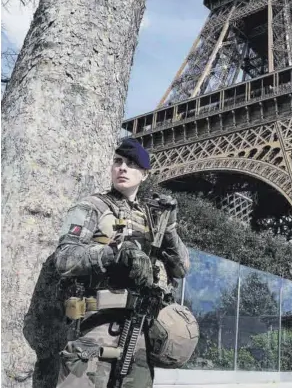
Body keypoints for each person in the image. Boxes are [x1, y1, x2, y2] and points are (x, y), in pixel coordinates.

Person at [52, 138, 190, 388]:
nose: (123, 168)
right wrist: (113, 254)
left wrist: (169, 228)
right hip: (96, 328)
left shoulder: (153, 218)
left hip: (141, 333)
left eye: (131, 164)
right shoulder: (93, 206)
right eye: (118, 162)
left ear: (144, 174)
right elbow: (64, 258)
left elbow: (181, 268)